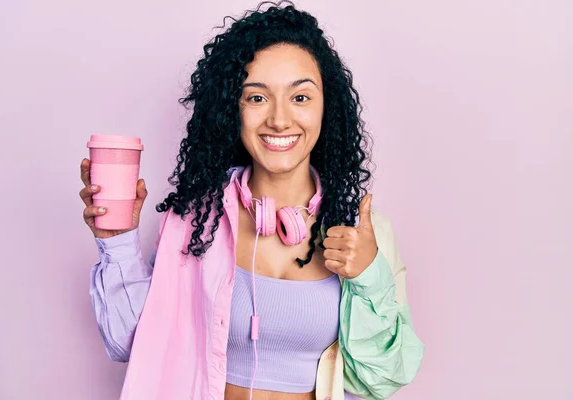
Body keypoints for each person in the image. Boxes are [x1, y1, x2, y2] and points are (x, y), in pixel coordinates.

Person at [79, 2, 424, 399]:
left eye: (300, 98)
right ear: (231, 109)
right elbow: (136, 346)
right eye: (257, 98)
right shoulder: (197, 221)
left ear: (326, 108)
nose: (279, 119)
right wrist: (117, 241)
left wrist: (367, 276)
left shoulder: (365, 233)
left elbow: (383, 378)